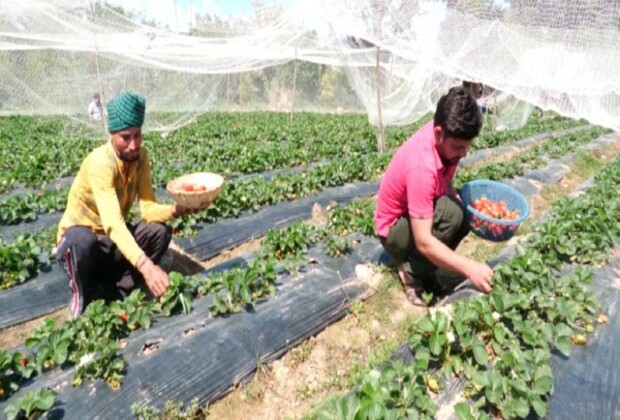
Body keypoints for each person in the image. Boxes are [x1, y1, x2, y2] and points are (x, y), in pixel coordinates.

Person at [57, 91, 197, 318]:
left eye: (138, 135)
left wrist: (177, 209)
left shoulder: (141, 158)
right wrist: (146, 266)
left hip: (110, 244)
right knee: (80, 241)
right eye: (125, 137)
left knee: (159, 232)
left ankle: (116, 291)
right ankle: (82, 296)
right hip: (85, 244)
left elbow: (149, 209)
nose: (133, 145)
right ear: (111, 134)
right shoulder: (101, 163)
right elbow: (113, 223)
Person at [374, 87, 493, 306]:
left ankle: (426, 268)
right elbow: (424, 241)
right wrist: (469, 268)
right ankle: (410, 271)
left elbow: (445, 182)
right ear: (439, 133)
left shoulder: (445, 142)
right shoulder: (421, 166)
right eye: (458, 147)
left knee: (462, 211)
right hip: (393, 231)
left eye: (467, 147)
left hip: (411, 215)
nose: (464, 154)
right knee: (452, 215)